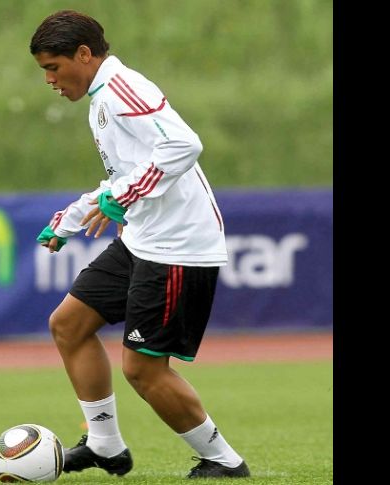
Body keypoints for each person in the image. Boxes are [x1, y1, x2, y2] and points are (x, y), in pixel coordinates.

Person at [29, 10, 250, 479]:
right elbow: (126, 176)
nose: (49, 79)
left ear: (83, 54)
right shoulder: (101, 98)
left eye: (53, 67)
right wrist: (72, 218)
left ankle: (223, 461)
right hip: (143, 239)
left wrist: (123, 196)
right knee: (69, 325)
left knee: (144, 369)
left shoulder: (123, 89)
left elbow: (184, 145)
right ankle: (105, 445)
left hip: (177, 247)